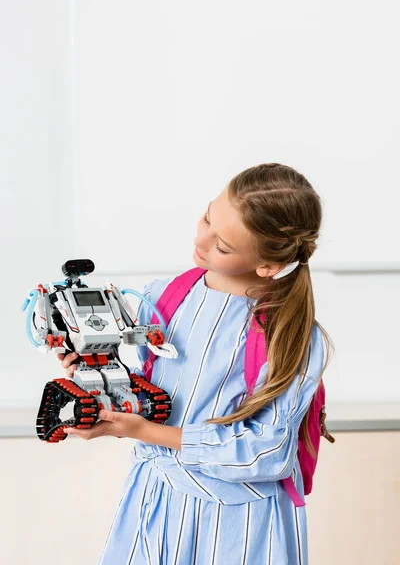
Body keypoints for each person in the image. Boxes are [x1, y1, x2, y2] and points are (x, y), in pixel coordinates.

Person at [59, 163, 334, 564]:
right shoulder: (164, 297)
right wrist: (101, 380)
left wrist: (149, 432)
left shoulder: (289, 336)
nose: (200, 240)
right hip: (155, 499)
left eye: (222, 246)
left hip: (236, 522)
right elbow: (160, 390)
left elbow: (267, 450)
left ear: (269, 266)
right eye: (207, 216)